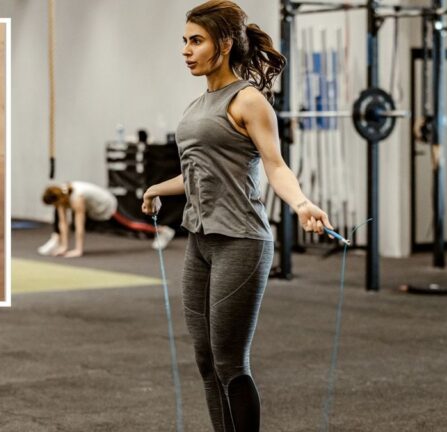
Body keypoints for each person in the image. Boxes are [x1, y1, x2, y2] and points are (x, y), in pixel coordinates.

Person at [141, 1, 333, 431]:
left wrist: (301, 204)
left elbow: (275, 165)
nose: (186, 50)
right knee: (205, 360)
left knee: (229, 360)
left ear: (223, 44)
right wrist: (156, 188)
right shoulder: (196, 106)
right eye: (184, 41)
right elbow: (197, 174)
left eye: (196, 41)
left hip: (241, 242)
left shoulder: (249, 100)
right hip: (201, 241)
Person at [38, 181, 175, 258]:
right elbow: (63, 223)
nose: (55, 207)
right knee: (58, 217)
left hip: (107, 205)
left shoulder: (76, 197)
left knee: (130, 225)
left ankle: (164, 231)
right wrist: (64, 247)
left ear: (58, 200)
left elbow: (80, 226)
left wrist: (78, 250)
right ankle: (56, 242)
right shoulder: (61, 196)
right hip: (95, 209)